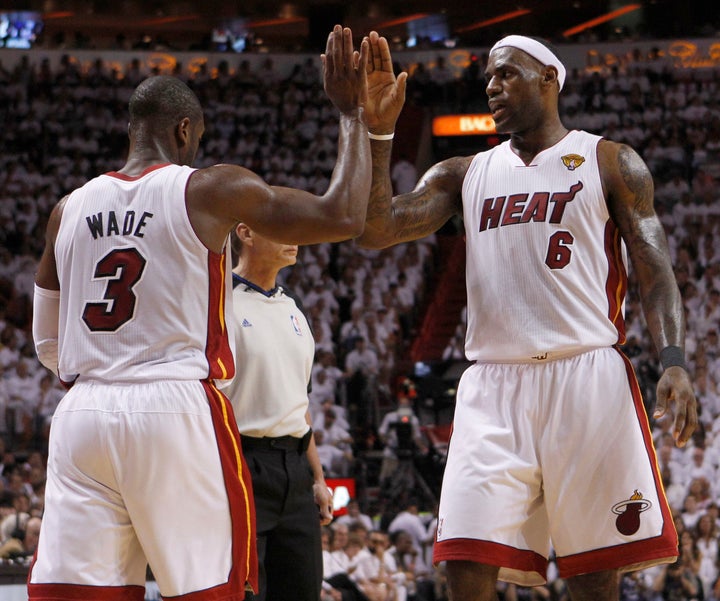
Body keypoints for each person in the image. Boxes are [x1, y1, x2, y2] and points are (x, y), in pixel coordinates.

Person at [30, 26, 371, 600]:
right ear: (185, 131)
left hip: (82, 414)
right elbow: (343, 217)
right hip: (171, 408)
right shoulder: (210, 190)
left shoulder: (67, 209)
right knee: (207, 591)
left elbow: (47, 344)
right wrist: (354, 115)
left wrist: (107, 369)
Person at [358, 31, 697, 601]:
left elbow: (655, 270)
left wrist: (674, 361)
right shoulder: (462, 173)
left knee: (593, 578)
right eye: (488, 76)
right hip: (493, 383)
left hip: (584, 374)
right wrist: (376, 134)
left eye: (505, 73)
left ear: (548, 79)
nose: (491, 86)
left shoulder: (610, 162)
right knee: (465, 565)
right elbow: (376, 231)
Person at [221, 222, 334, 601]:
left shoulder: (293, 308)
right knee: (244, 593)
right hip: (241, 465)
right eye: (281, 226)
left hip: (296, 472)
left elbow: (299, 406)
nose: (295, 237)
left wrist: (317, 478)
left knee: (304, 591)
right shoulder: (220, 304)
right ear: (246, 233)